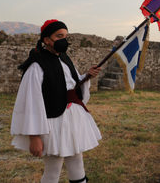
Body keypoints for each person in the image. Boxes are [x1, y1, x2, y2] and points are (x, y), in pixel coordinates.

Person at [11, 19, 102, 183]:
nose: (64, 40)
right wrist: (34, 136)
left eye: (66, 36)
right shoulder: (37, 65)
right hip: (53, 123)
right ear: (46, 39)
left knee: (77, 162)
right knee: (53, 169)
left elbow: (72, 83)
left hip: (72, 119)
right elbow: (31, 101)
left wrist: (87, 76)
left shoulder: (65, 58)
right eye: (59, 36)